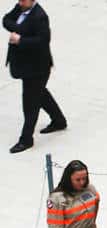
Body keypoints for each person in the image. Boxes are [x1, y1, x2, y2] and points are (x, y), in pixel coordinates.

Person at [3, 0, 66, 154]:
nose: (20, 2)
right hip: (25, 66)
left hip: (38, 68)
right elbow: (6, 20)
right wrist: (19, 29)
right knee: (39, 94)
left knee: (30, 103)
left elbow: (42, 41)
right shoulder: (20, 8)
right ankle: (59, 121)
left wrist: (20, 39)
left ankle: (26, 139)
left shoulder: (40, 16)